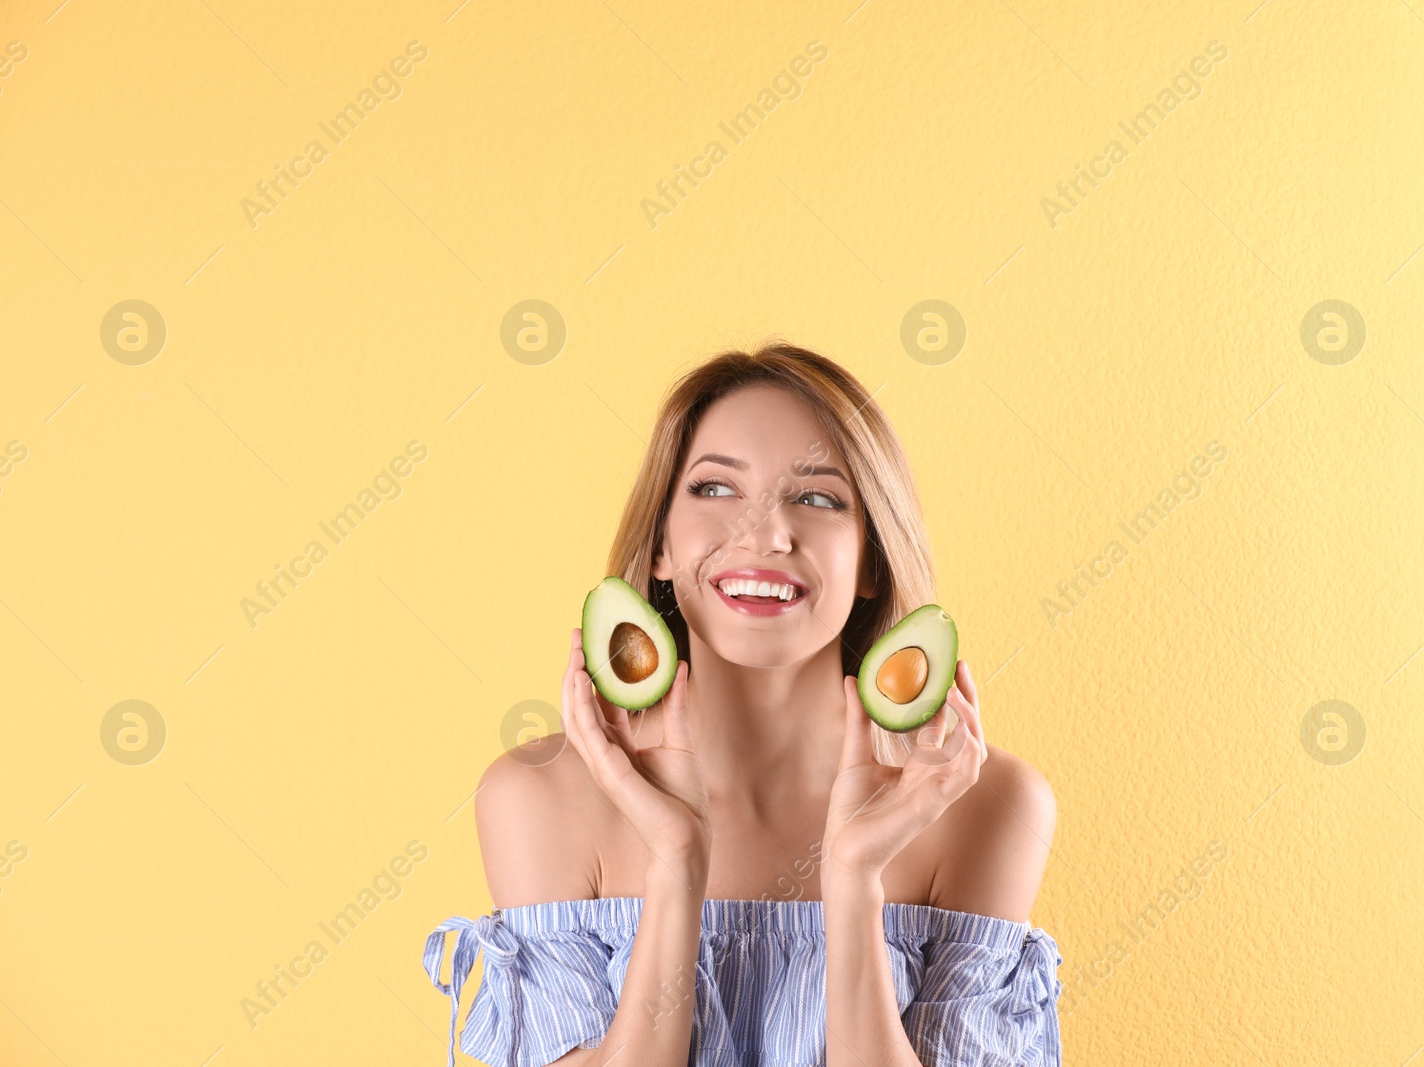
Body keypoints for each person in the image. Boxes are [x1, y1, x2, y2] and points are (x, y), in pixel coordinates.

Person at [423, 342, 1062, 1066]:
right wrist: (676, 862)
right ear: (661, 543)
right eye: (715, 488)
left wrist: (853, 879)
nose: (763, 533)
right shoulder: (534, 797)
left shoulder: (991, 806)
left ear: (873, 563)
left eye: (816, 496)